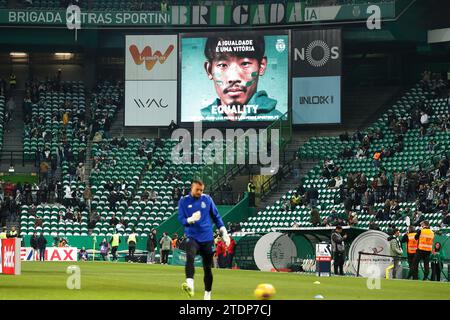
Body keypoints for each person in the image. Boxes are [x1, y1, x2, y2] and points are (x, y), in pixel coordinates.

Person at [200, 35, 282, 122]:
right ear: (209, 70)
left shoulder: (279, 122)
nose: (233, 78)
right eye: (222, 65)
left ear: (261, 66)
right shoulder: (198, 130)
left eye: (245, 64)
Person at [178, 179, 230, 300]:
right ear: (192, 188)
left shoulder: (207, 199)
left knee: (207, 268)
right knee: (190, 256)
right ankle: (190, 285)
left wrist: (224, 233)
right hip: (192, 237)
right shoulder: (183, 201)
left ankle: (207, 294)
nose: (200, 192)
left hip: (207, 238)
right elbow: (181, 219)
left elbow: (216, 217)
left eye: (201, 190)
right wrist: (190, 219)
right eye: (197, 190)